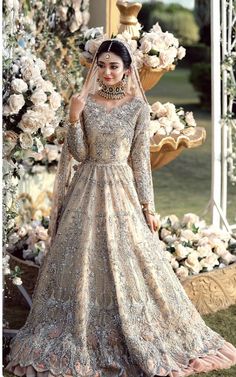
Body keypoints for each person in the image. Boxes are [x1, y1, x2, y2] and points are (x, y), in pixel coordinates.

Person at [5, 38, 236, 377]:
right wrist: (73, 118)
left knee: (131, 260)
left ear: (128, 69)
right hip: (86, 187)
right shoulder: (85, 103)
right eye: (101, 65)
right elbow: (80, 154)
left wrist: (148, 207)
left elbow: (141, 161)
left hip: (122, 190)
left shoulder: (138, 108)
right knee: (83, 258)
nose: (107, 72)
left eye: (114, 66)